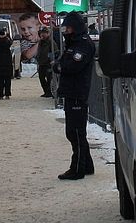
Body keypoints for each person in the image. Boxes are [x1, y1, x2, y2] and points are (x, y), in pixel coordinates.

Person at [55, 11, 95, 180]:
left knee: (75, 132)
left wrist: (59, 67)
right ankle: (86, 165)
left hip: (77, 92)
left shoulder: (82, 44)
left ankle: (77, 168)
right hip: (73, 91)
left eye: (69, 28)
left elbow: (71, 66)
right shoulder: (75, 43)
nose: (66, 31)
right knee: (76, 131)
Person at [0, 27, 13, 99]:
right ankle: (7, 94)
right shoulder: (7, 42)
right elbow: (11, 42)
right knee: (8, 80)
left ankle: (0, 95)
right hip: (7, 64)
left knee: (0, 80)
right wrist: (7, 35)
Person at [37, 26, 54, 97]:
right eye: (41, 33)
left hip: (48, 64)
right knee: (41, 78)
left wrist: (51, 60)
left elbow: (54, 51)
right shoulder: (40, 42)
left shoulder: (51, 42)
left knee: (49, 78)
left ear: (48, 33)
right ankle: (46, 92)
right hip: (41, 63)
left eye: (44, 33)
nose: (42, 35)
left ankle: (49, 92)